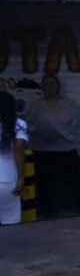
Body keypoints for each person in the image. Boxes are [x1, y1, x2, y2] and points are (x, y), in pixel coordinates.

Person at [26, 74, 80, 216]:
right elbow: (28, 123)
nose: (49, 87)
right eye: (46, 84)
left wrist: (62, 133)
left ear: (58, 86)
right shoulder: (35, 105)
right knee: (44, 180)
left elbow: (75, 123)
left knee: (75, 177)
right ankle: (46, 207)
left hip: (65, 147)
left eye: (52, 83)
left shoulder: (68, 104)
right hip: (42, 148)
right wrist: (40, 132)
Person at [0, 91, 26, 225]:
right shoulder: (19, 123)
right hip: (8, 179)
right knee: (10, 221)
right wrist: (21, 177)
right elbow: (19, 148)